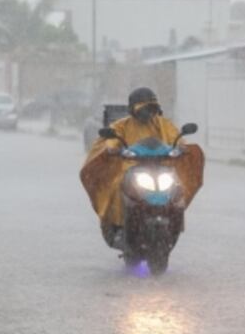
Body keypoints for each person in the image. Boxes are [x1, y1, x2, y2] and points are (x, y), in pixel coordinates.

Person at [79, 87, 203, 251]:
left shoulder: (163, 124)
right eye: (144, 109)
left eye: (151, 108)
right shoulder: (122, 125)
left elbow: (177, 139)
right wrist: (111, 149)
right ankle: (117, 226)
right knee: (115, 187)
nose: (148, 113)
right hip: (129, 167)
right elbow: (110, 141)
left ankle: (174, 225)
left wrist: (183, 147)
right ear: (133, 109)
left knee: (177, 189)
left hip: (160, 167)